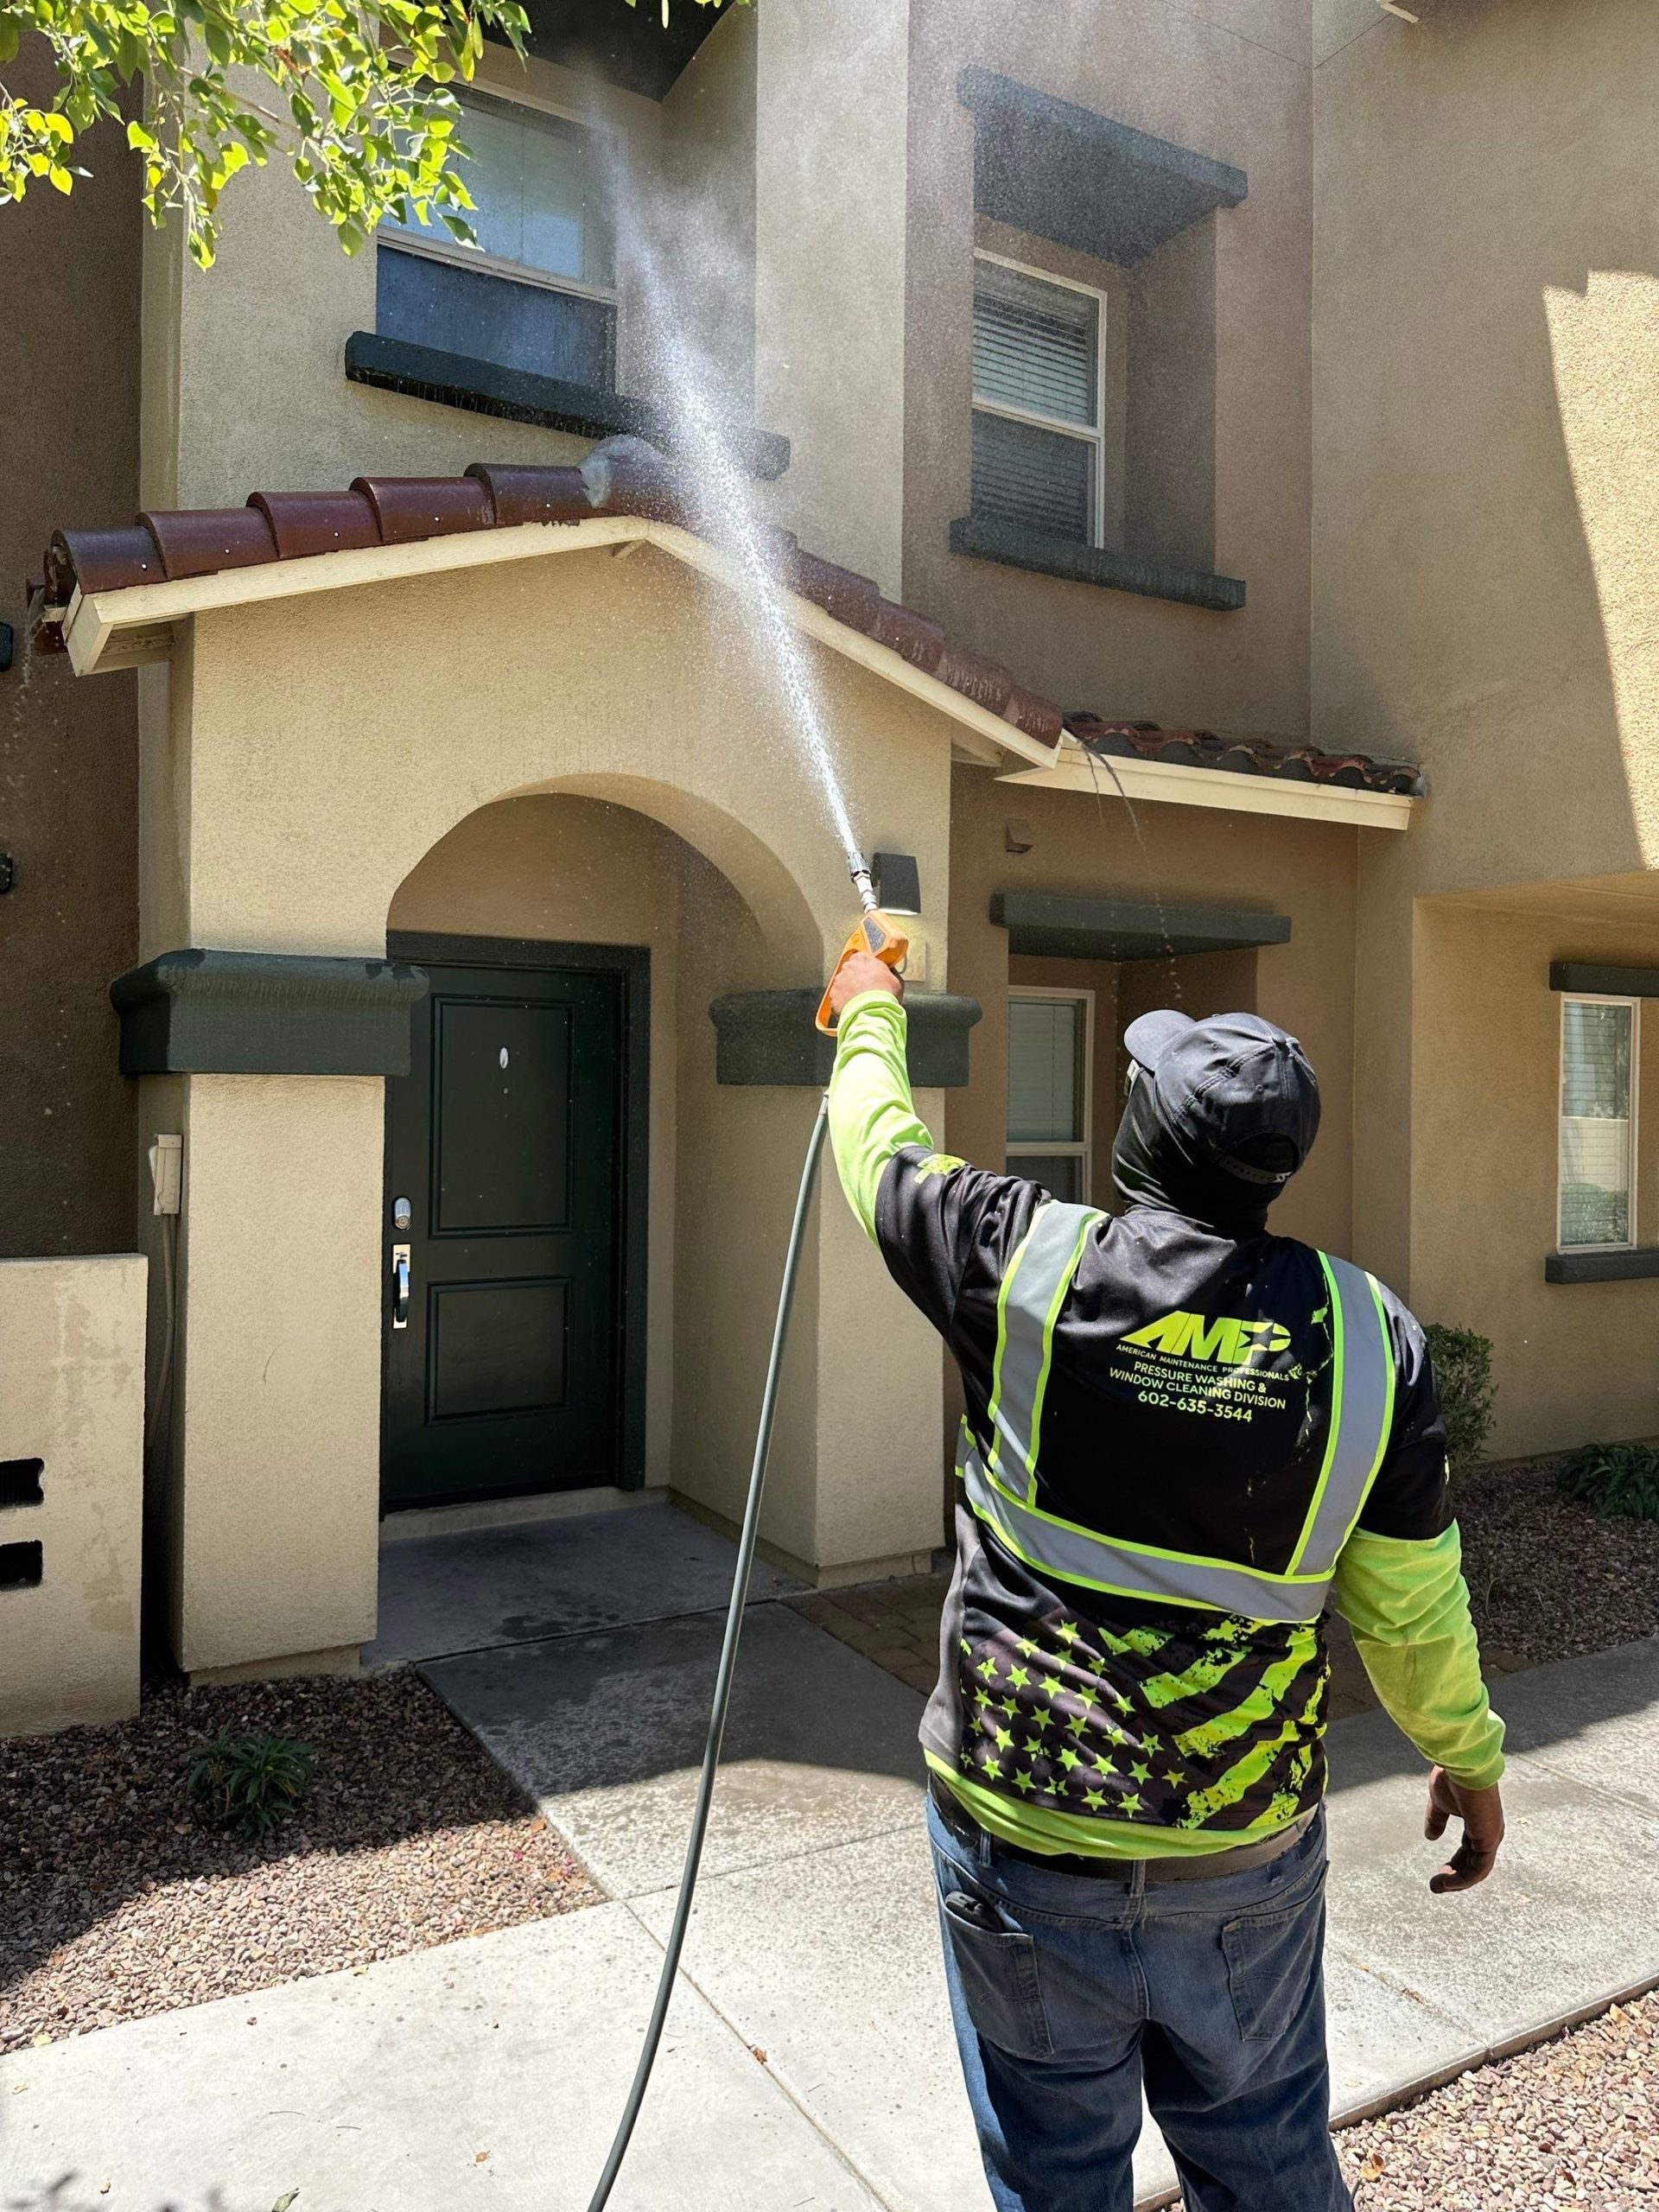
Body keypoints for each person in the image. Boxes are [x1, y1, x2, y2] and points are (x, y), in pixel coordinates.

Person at [823, 951, 1505, 2212]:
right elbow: (1413, 1607)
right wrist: (1468, 1757)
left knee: (1057, 2180)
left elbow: (876, 1152)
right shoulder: (1367, 1336)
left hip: (1026, 1852)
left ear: (1146, 1133)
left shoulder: (1025, 1262)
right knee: (1267, 2170)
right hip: (1239, 1863)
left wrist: (868, 1002)